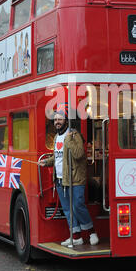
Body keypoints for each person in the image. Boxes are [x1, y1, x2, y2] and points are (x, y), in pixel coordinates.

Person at [38, 103, 99, 246]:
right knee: (67, 209)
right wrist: (46, 162)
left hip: (75, 178)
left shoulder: (74, 135)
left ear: (66, 120)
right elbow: (58, 157)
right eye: (55, 120)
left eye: (60, 119)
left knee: (78, 205)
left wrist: (69, 141)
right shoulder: (56, 138)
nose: (57, 122)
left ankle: (91, 232)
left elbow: (78, 154)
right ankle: (76, 236)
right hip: (60, 179)